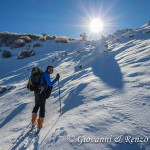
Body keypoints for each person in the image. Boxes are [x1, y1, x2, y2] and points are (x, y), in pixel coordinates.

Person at [31, 65, 60, 130]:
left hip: (37, 91)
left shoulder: (43, 74)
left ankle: (33, 120)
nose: (51, 70)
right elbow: (50, 84)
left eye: (52, 69)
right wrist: (56, 79)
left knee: (37, 105)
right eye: (50, 69)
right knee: (42, 107)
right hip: (42, 92)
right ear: (47, 69)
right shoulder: (46, 74)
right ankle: (39, 124)